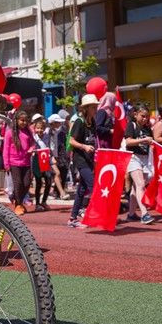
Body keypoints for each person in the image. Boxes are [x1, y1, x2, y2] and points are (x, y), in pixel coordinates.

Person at [68, 94, 99, 228]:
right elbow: (71, 140)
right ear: (86, 108)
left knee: (82, 189)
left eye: (96, 106)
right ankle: (95, 215)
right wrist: (84, 146)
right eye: (93, 107)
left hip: (90, 159)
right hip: (80, 159)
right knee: (93, 186)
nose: (95, 109)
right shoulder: (79, 122)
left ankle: (73, 218)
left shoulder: (93, 122)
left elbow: (93, 139)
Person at [124, 103, 155, 224]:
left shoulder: (147, 128)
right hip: (133, 157)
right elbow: (128, 141)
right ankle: (144, 213)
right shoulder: (131, 125)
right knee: (140, 184)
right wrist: (143, 140)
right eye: (143, 116)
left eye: (147, 116)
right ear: (135, 114)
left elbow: (152, 142)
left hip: (145, 158)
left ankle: (131, 214)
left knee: (136, 187)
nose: (145, 119)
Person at [3, 110, 34, 215]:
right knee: (18, 184)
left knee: (26, 183)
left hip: (26, 162)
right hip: (14, 162)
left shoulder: (28, 132)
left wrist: (31, 149)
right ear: (16, 121)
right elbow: (5, 149)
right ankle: (18, 205)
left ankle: (17, 199)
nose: (24, 123)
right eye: (22, 120)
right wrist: (6, 164)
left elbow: (33, 144)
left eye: (26, 121)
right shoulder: (9, 133)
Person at [31, 117, 52, 211]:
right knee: (38, 182)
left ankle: (44, 201)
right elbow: (30, 148)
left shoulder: (47, 136)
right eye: (38, 128)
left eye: (41, 128)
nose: (40, 130)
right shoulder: (33, 138)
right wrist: (34, 151)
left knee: (48, 181)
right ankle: (37, 203)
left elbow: (49, 147)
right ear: (35, 129)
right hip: (36, 160)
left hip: (45, 159)